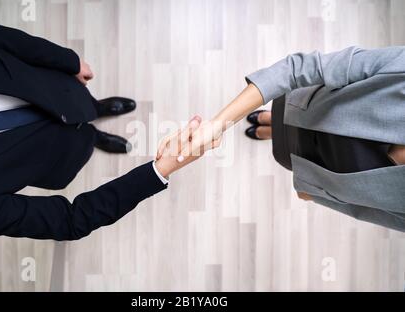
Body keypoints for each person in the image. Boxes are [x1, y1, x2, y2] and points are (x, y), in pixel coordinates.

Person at [0, 14, 216, 241]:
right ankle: (94, 137)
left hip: (56, 91)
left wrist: (67, 61)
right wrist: (162, 169)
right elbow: (70, 220)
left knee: (82, 104)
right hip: (57, 157)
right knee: (83, 141)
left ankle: (99, 108)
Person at [158, 46, 405, 232]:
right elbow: (301, 69)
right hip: (307, 108)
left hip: (313, 167)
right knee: (282, 115)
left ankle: (269, 130)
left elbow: (365, 210)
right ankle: (270, 121)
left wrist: (321, 196)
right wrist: (218, 123)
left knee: (281, 147)